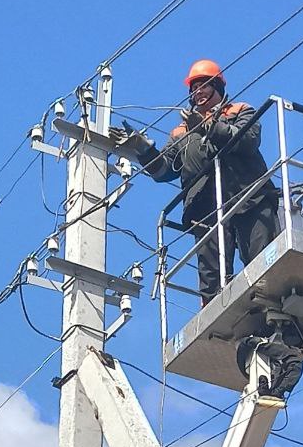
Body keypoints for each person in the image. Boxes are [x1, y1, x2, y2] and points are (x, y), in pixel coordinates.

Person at [110, 59, 280, 303]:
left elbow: (246, 140)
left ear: (218, 88)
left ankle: (270, 303)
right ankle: (219, 317)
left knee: (261, 257)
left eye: (204, 85)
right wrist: (143, 150)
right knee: (212, 278)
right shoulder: (181, 132)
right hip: (206, 208)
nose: (198, 92)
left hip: (248, 197)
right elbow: (163, 171)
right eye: (194, 88)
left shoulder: (239, 111)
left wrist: (207, 126)